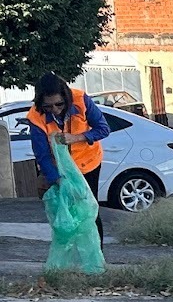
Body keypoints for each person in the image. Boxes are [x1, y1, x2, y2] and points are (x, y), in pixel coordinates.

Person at [27, 73, 111, 245]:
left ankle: (96, 259)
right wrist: (56, 179)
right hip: (60, 170)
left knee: (89, 210)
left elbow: (103, 129)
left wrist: (77, 137)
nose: (55, 110)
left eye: (59, 104)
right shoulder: (35, 117)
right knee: (66, 213)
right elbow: (41, 155)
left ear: (66, 97)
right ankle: (72, 256)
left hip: (88, 164)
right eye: (48, 106)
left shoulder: (80, 99)